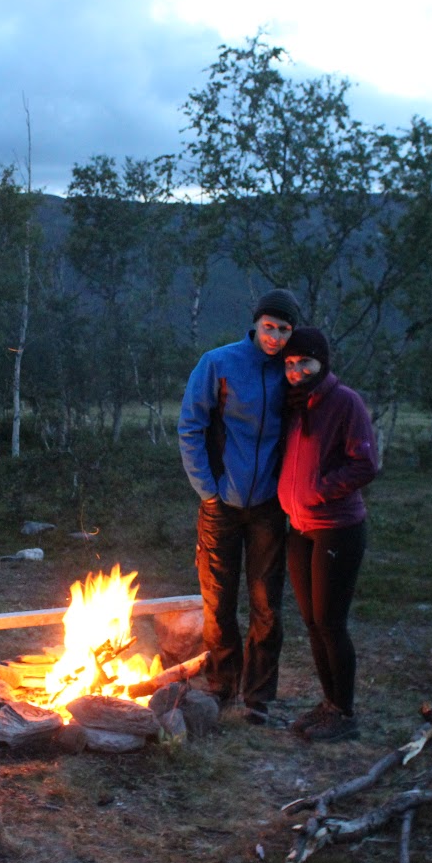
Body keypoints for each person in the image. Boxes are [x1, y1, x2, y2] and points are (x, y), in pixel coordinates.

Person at [178, 288, 302, 724]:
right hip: (221, 504)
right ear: (256, 324)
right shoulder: (219, 363)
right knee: (219, 601)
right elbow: (190, 426)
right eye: (270, 327)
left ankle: (259, 696)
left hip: (270, 505)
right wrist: (207, 491)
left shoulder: (292, 370)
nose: (276, 336)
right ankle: (222, 686)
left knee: (267, 602)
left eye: (285, 329)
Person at [276, 326, 379, 742]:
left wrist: (318, 490)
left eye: (305, 363)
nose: (297, 371)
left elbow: (365, 464)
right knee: (312, 622)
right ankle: (329, 703)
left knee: (331, 622)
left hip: (337, 527)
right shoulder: (294, 403)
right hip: (299, 529)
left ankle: (346, 712)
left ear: (322, 363)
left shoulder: (345, 402)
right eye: (290, 364)